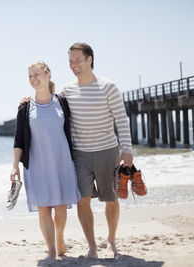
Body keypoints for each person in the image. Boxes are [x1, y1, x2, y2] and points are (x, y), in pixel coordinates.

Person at [20, 43, 134, 259]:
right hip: (80, 154)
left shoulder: (108, 87)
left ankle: (111, 241)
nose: (73, 65)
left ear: (90, 59)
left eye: (77, 60)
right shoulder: (67, 92)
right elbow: (48, 102)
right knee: (83, 199)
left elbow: (122, 119)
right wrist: (28, 101)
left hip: (107, 150)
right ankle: (92, 245)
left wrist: (126, 149)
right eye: (70, 61)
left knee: (111, 199)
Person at [11, 61, 81, 260]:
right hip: (37, 165)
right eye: (30, 76)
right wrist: (14, 166)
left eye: (36, 74)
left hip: (61, 162)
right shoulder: (25, 107)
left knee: (60, 207)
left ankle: (59, 237)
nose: (33, 79)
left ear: (48, 74)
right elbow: (19, 140)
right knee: (44, 208)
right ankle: (51, 249)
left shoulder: (61, 102)